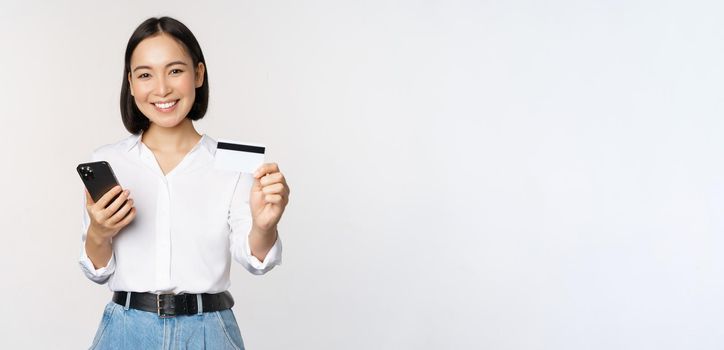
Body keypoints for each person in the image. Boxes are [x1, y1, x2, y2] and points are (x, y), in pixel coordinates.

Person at [78, 16, 290, 349]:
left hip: (209, 331)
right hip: (126, 331)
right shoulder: (109, 160)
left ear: (199, 75)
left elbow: (255, 259)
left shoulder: (234, 162)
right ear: (131, 83)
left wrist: (265, 226)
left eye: (175, 70)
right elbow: (98, 270)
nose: (161, 89)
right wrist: (99, 232)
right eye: (146, 74)